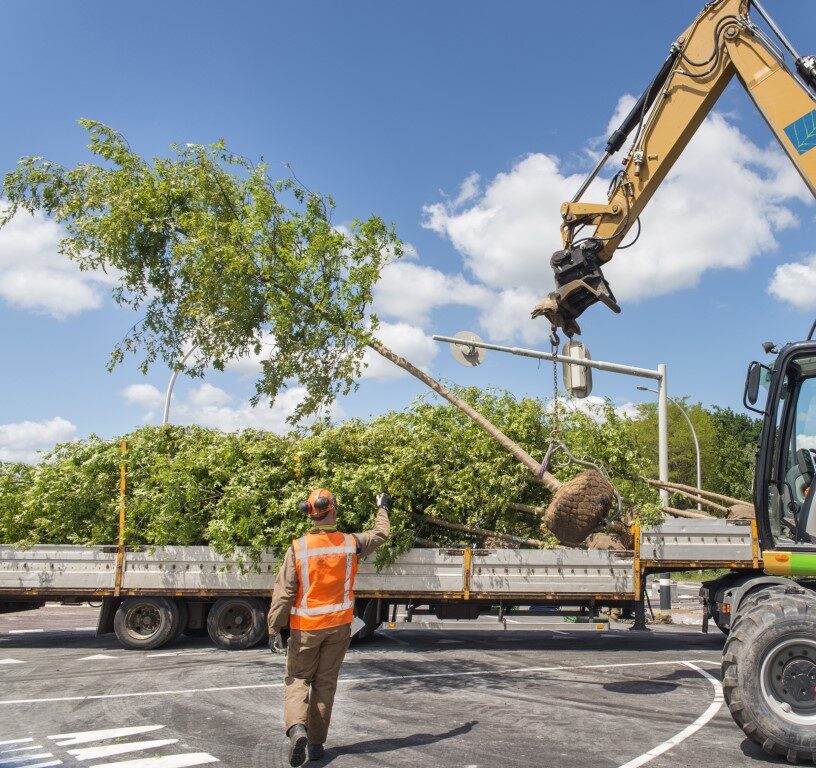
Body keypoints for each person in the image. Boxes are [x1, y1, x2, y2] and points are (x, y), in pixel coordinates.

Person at [267, 488, 391, 766]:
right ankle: (316, 744)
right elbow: (380, 534)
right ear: (333, 510)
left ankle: (297, 728)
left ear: (310, 514)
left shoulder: (298, 548)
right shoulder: (350, 543)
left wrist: (274, 628)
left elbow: (284, 592)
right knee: (325, 684)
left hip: (306, 629)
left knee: (298, 680)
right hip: (339, 627)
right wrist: (383, 507)